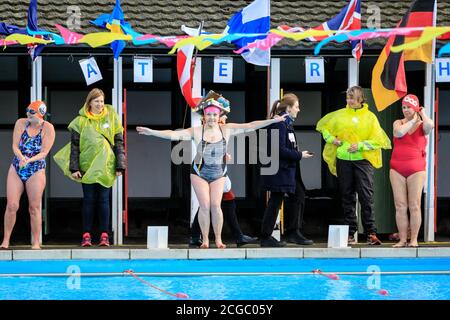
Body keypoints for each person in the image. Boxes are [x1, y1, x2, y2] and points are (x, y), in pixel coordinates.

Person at [137, 90, 287, 249]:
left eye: (215, 115)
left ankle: (218, 239)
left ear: (219, 115)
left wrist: (272, 121)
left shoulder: (226, 129)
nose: (212, 118)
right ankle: (205, 240)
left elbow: (250, 126)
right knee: (205, 205)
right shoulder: (196, 131)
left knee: (216, 205)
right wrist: (151, 132)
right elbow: (174, 135)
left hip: (218, 174)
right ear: (204, 116)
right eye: (209, 115)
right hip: (199, 173)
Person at [316, 86, 391, 245]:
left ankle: (371, 233)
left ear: (360, 99)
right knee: (347, 196)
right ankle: (350, 232)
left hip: (363, 160)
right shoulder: (339, 115)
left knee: (366, 195)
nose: (349, 101)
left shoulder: (370, 117)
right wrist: (332, 140)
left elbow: (379, 141)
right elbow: (324, 128)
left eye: (352, 98)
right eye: (348, 98)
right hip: (343, 159)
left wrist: (360, 145)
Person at [53, 88, 126, 247]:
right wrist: (74, 168)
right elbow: (75, 146)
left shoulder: (111, 116)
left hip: (106, 166)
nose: (100, 104)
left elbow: (119, 141)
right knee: (89, 200)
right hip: (87, 166)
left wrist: (120, 165)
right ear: (89, 102)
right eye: (96, 101)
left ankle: (104, 235)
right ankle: (86, 235)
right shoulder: (80, 121)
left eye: (102, 100)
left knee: (104, 200)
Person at [260, 93, 314, 247]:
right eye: (296, 107)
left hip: (288, 170)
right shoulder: (279, 123)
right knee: (276, 200)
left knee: (298, 195)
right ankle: (267, 235)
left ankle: (293, 232)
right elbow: (278, 149)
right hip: (280, 170)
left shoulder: (286, 123)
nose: (299, 110)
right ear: (289, 108)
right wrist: (299, 155)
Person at [1, 101, 55, 250]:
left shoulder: (48, 128)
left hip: (36, 168)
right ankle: (6, 240)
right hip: (18, 166)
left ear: (40, 115)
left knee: (34, 207)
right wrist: (21, 158)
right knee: (12, 205)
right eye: (28, 112)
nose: (28, 116)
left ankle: (36, 242)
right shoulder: (21, 123)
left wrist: (29, 160)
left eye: (32, 113)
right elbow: (14, 146)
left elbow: (44, 152)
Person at [390, 94, 434, 248]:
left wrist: (422, 114)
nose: (405, 110)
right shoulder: (398, 123)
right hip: (396, 167)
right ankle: (402, 239)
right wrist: (413, 119)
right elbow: (399, 133)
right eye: (403, 107)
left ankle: (414, 239)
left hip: (416, 168)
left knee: (414, 204)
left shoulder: (423, 125)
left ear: (415, 107)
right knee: (400, 205)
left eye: (408, 107)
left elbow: (430, 126)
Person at [190, 176, 258, 247]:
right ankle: (196, 236)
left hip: (216, 178)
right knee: (205, 207)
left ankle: (196, 236)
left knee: (207, 207)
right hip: (211, 178)